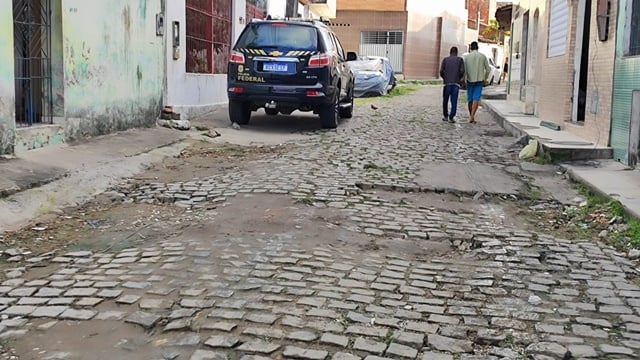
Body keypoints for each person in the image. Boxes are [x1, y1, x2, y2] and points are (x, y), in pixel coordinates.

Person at [463, 41, 491, 123]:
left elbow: (464, 70)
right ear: (477, 47)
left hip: (469, 80)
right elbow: (488, 69)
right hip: (479, 80)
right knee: (476, 99)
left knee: (470, 99)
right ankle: (472, 116)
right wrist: (485, 79)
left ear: (470, 48)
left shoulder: (467, 57)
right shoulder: (482, 56)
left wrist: (464, 80)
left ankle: (470, 115)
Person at [439, 46, 465, 123]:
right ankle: (451, 117)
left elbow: (441, 71)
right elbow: (462, 71)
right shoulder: (460, 60)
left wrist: (445, 78)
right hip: (456, 83)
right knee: (454, 101)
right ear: (456, 52)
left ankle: (445, 116)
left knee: (445, 100)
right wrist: (458, 78)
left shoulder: (445, 60)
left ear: (450, 52)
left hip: (447, 83)